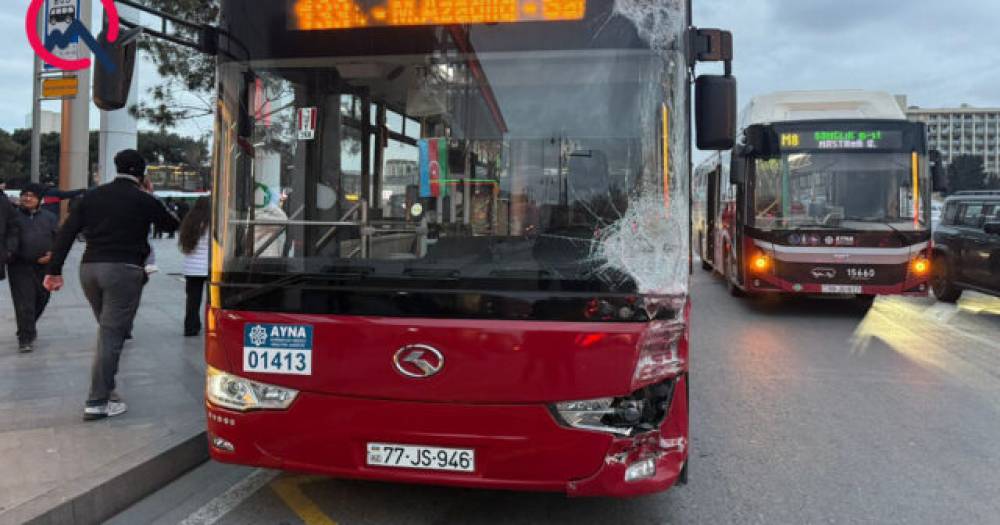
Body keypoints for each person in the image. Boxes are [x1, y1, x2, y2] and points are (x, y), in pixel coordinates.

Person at [44, 150, 180, 421]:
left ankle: (108, 390)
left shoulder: (90, 196)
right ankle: (98, 401)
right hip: (124, 269)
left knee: (109, 331)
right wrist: (151, 194)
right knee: (110, 335)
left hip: (90, 268)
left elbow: (67, 232)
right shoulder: (143, 198)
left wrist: (54, 270)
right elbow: (171, 223)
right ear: (142, 174)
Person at [7, 184, 59, 353]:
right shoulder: (12, 216)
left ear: (39, 200)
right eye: (24, 195)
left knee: (42, 299)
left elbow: (59, 238)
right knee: (24, 303)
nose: (27, 198)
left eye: (31, 196)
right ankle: (25, 338)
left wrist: (52, 255)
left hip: (44, 267)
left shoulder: (50, 217)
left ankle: (27, 327)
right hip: (19, 266)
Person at [177, 197, 210, 336]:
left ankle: (190, 326)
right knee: (212, 299)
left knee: (192, 299)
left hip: (191, 268)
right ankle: (211, 325)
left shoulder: (189, 222)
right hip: (208, 266)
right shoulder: (211, 223)